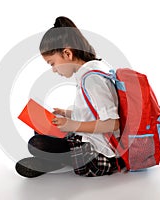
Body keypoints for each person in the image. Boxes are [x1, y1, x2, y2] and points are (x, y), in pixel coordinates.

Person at [16, 16, 125, 178]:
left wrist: (72, 125)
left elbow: (113, 123)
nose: (53, 69)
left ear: (67, 53)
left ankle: (56, 162)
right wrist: (67, 114)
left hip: (99, 155)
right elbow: (92, 111)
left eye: (52, 63)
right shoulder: (89, 72)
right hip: (87, 142)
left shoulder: (92, 78)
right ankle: (58, 160)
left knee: (37, 144)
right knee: (40, 128)